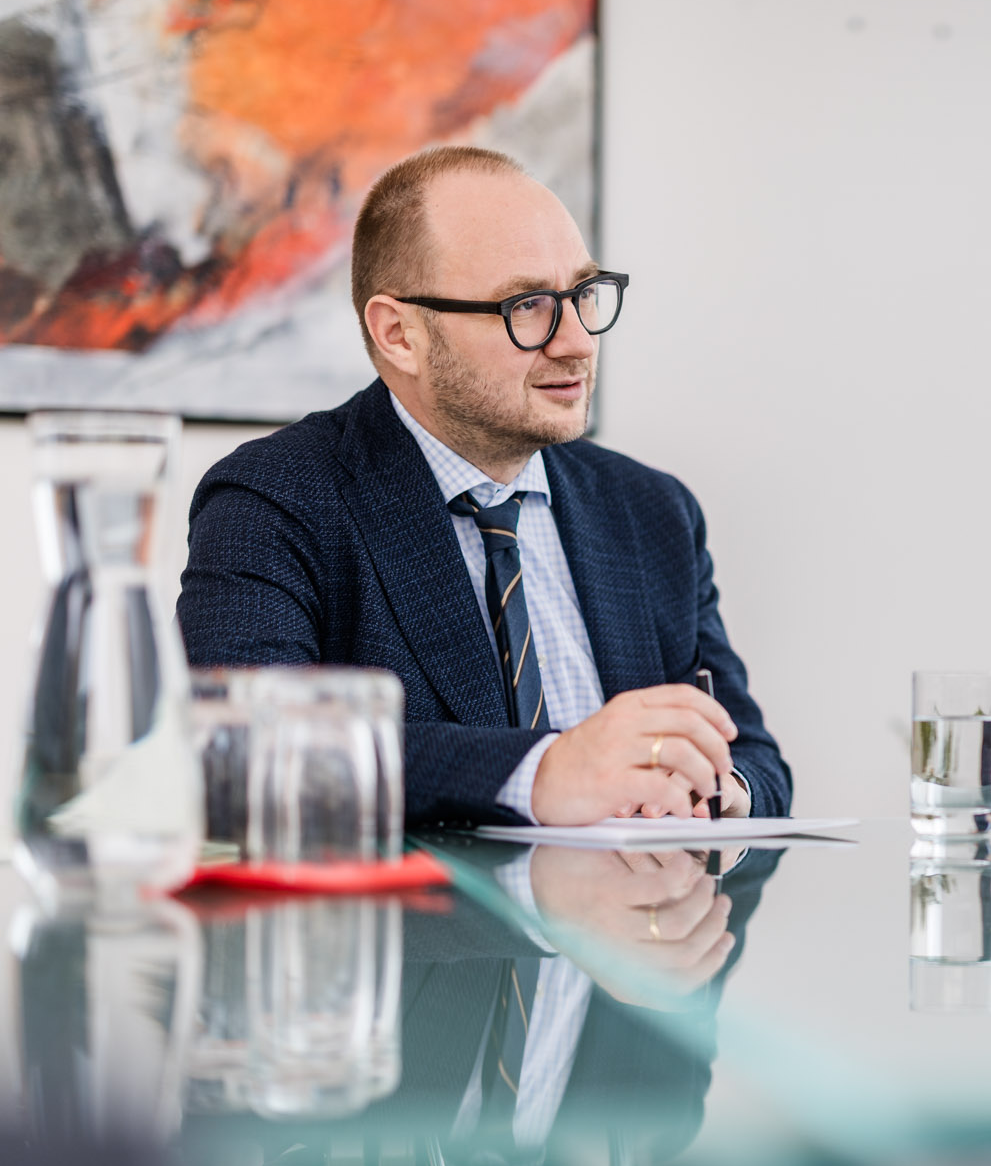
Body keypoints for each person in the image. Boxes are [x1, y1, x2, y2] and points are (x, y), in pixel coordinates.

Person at [179, 146, 788, 827]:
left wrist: (715, 791)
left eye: (585, 295)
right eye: (528, 306)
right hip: (414, 933)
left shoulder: (653, 511)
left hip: (633, 926)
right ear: (399, 334)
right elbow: (243, 752)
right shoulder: (275, 500)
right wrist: (542, 776)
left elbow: (755, 759)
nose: (578, 341)